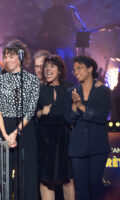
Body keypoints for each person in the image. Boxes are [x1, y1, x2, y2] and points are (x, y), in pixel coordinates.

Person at [0, 39, 40, 199]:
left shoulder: (32, 80)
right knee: (3, 175)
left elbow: (30, 110)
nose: (7, 60)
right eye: (5, 56)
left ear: (20, 57)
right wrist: (6, 135)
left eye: (11, 56)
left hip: (25, 129)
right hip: (3, 127)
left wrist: (15, 132)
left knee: (26, 175)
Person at [66, 55, 111, 200]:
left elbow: (102, 116)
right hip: (78, 147)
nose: (76, 72)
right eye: (74, 70)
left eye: (79, 68)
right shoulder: (71, 92)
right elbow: (69, 119)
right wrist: (74, 106)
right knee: (80, 186)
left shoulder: (102, 90)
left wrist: (81, 107)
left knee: (95, 185)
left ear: (90, 68)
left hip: (97, 145)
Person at [36, 55, 75, 200]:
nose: (48, 69)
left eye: (52, 66)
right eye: (46, 66)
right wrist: (41, 112)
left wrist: (98, 84)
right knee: (46, 180)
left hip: (64, 138)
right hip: (45, 139)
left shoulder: (69, 88)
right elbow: (31, 115)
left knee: (68, 178)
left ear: (59, 70)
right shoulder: (39, 89)